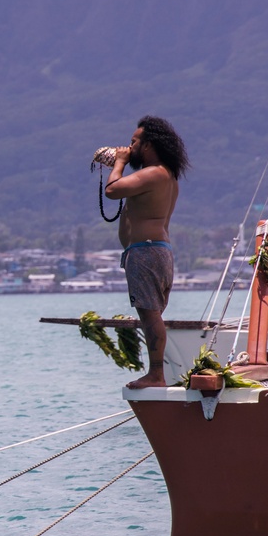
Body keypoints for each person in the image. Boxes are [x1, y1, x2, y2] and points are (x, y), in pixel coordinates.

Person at [104, 115, 190, 388]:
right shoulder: (165, 175)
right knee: (150, 313)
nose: (129, 147)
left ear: (148, 144)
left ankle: (156, 375)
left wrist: (119, 162)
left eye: (134, 142)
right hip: (153, 250)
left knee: (149, 314)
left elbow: (112, 190)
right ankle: (157, 373)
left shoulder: (155, 173)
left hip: (147, 252)